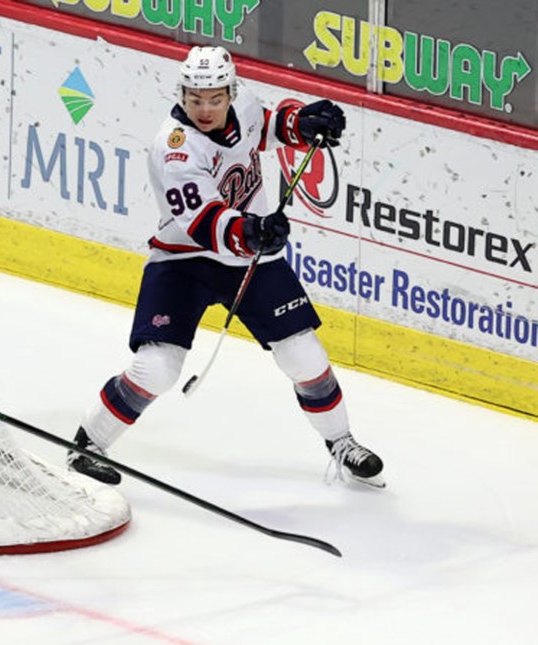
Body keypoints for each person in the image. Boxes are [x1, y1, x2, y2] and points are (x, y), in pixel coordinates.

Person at [66, 46, 384, 490]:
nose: (205, 108)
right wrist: (251, 231)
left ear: (230, 92)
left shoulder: (245, 103)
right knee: (157, 368)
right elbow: (202, 222)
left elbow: (265, 127)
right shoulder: (175, 148)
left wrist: (300, 124)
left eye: (215, 98)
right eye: (195, 99)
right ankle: (88, 445)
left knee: (303, 353)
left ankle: (342, 443)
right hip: (185, 261)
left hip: (249, 260)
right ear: (182, 94)